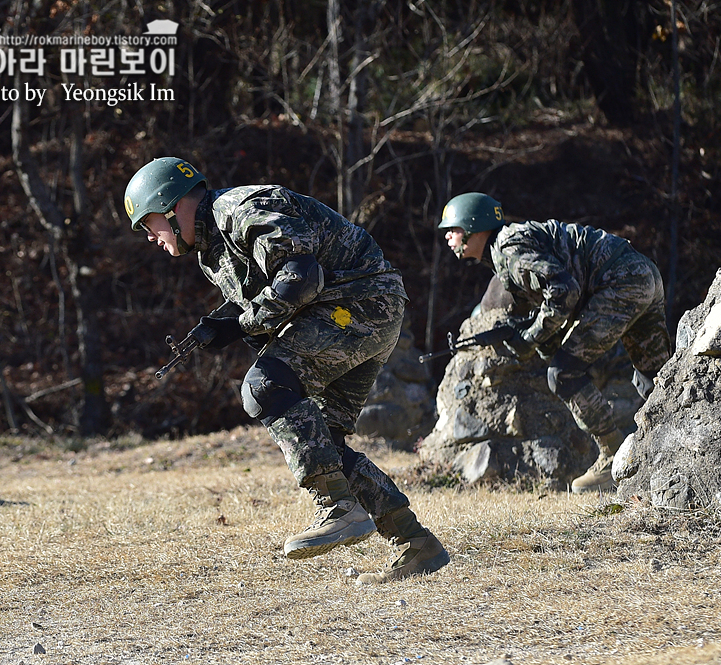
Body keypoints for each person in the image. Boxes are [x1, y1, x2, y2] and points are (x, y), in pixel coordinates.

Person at [123, 157, 449, 584]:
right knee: (322, 441)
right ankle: (416, 544)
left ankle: (339, 509)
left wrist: (241, 324)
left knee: (263, 388)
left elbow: (300, 277)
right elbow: (268, 304)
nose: (151, 238)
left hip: (361, 305)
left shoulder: (240, 210)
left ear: (169, 205)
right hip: (360, 311)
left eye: (149, 225)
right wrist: (227, 321)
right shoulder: (211, 250)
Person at [438, 192, 671, 492]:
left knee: (563, 374)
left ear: (473, 226)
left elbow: (564, 291)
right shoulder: (511, 244)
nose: (448, 237)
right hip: (642, 272)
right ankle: (670, 453)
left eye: (452, 229)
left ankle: (613, 457)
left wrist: (530, 336)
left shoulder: (509, 248)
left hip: (619, 281)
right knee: (656, 379)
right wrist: (533, 336)